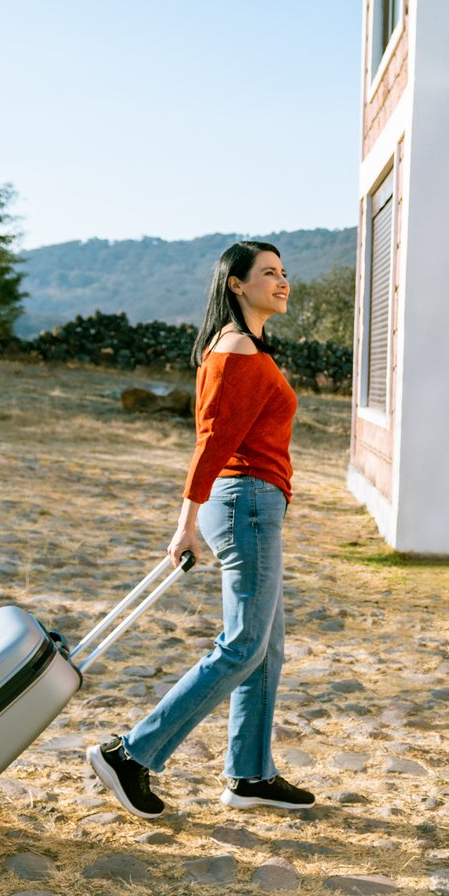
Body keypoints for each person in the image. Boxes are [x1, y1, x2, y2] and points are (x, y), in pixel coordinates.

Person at [86, 240, 315, 817]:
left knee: (264, 649)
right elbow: (212, 441)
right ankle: (131, 756)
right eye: (268, 273)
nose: (281, 282)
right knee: (241, 645)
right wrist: (184, 524)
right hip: (244, 504)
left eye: (284, 273)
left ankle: (250, 776)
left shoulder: (248, 347)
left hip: (253, 503)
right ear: (236, 284)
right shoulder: (237, 349)